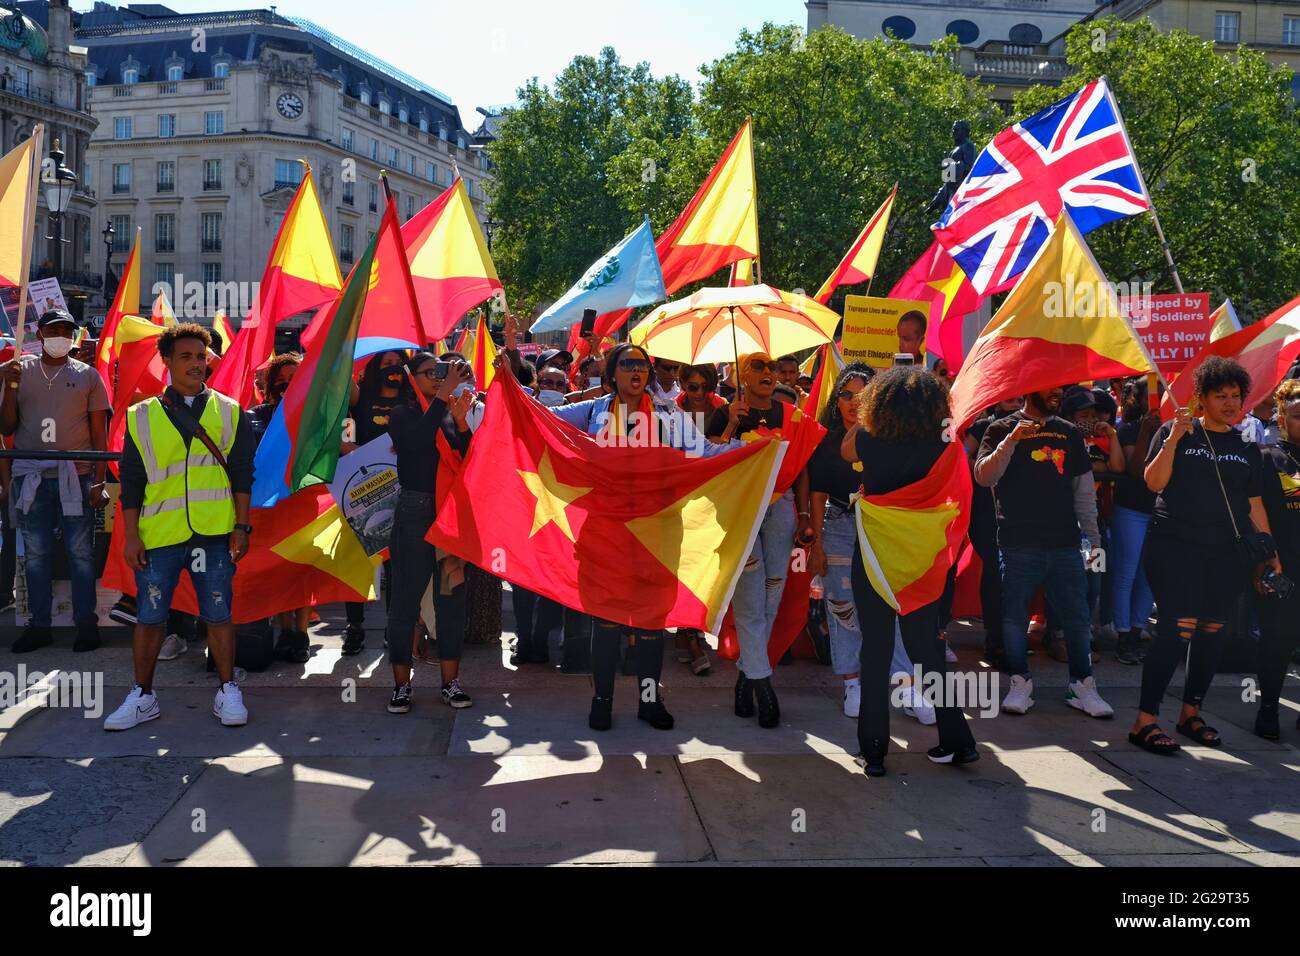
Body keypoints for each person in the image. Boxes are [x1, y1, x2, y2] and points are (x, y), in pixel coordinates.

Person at [551, 343, 740, 730]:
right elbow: (540, 419)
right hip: (605, 535)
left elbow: (704, 453)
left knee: (652, 625)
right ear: (613, 373)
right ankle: (601, 701)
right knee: (605, 624)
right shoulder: (590, 411)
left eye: (642, 365)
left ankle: (649, 702)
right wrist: (497, 387)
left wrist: (754, 450)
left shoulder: (670, 416)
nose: (636, 371)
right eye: (627, 364)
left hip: (658, 534)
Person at [104, 324, 254, 730]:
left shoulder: (229, 410)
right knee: (151, 617)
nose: (195, 364)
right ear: (167, 362)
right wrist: (131, 535)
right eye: (185, 357)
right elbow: (132, 482)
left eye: (201, 357)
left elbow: (242, 473)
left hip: (214, 531)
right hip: (160, 533)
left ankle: (227, 690)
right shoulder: (141, 415)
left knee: (219, 613)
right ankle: (142, 695)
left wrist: (242, 526)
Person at [1129, 357, 1281, 754]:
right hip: (1173, 546)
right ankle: (1144, 720)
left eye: (1236, 396)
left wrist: (1270, 552)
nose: (1231, 403)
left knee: (1212, 629)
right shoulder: (1176, 431)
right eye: (1221, 396)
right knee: (1179, 626)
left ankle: (1190, 713)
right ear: (1201, 399)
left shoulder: (1247, 448)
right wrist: (1175, 438)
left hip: (1225, 553)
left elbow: (1253, 505)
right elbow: (1153, 482)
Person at [838, 367, 978, 775]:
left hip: (876, 558)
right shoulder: (943, 442)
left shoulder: (868, 437)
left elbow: (846, 451)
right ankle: (958, 740)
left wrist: (865, 417)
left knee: (876, 651)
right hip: (922, 560)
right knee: (926, 652)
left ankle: (875, 752)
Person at [975, 387, 1114, 718]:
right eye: (1051, 386)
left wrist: (1094, 542)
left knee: (1078, 618)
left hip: (1067, 544)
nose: (1058, 392)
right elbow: (983, 477)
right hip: (1016, 543)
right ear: (1030, 387)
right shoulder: (998, 428)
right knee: (1014, 618)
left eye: (1060, 387)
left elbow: (1083, 493)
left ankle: (1082, 685)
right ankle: (1020, 682)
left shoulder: (1068, 432)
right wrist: (1012, 440)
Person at [705, 352, 815, 729]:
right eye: (758, 366)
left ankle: (745, 676)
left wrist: (802, 515)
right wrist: (731, 426)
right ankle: (764, 687)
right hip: (741, 513)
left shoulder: (792, 416)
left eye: (771, 368)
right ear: (741, 377)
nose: (768, 373)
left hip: (782, 513)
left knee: (772, 596)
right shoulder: (725, 413)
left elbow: (801, 469)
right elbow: (708, 462)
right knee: (751, 601)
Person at [0, 309, 111, 653]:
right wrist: (7, 383)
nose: (60, 335)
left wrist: (99, 480)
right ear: (40, 333)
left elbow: (99, 433)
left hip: (76, 475)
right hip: (31, 474)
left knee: (80, 553)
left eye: (66, 329)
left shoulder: (89, 376)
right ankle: (39, 625)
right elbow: (5, 428)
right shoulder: (19, 370)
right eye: (54, 330)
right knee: (35, 555)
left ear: (73, 335)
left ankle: (86, 624)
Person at [383, 352, 476, 714]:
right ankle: (401, 686)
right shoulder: (402, 413)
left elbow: (467, 457)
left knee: (450, 599)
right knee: (405, 600)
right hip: (415, 513)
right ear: (412, 377)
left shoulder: (448, 410)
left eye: (442, 372)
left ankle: (450, 683)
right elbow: (418, 443)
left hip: (449, 514)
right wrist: (442, 401)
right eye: (430, 373)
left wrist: (462, 423)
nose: (438, 378)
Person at [340, 350, 416, 655]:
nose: (393, 368)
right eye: (387, 364)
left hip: (404, 490)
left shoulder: (412, 402)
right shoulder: (359, 401)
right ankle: (354, 627)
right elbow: (343, 439)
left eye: (398, 363)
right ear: (374, 369)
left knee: (396, 563)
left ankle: (393, 629)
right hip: (361, 489)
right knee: (358, 562)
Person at [247, 352, 314, 663]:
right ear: (270, 385)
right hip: (270, 507)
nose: (287, 385)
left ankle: (300, 634)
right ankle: (283, 630)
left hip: (304, 504)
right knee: (276, 570)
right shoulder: (255, 416)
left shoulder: (317, 418)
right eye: (281, 381)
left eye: (294, 380)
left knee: (300, 570)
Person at [1254, 378, 1300, 739]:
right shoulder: (1268, 459)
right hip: (1281, 567)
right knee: (1277, 640)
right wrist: (1266, 558)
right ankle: (1268, 707)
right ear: (1282, 418)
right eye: (1298, 415)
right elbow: (1254, 512)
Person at [964, 397, 1023, 667]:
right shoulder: (984, 427)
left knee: (1015, 578)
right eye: (1009, 398)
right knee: (994, 574)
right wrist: (983, 463)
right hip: (985, 512)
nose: (1014, 403)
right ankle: (995, 641)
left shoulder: (1032, 429)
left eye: (1020, 398)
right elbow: (962, 459)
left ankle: (1013, 639)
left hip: (1018, 513)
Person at [1111, 379, 1161, 664]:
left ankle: (1138, 628)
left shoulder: (1172, 430)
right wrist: (1145, 434)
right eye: (1155, 394)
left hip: (1158, 511)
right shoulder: (1129, 430)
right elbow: (1133, 470)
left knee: (1148, 574)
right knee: (1126, 573)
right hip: (1131, 509)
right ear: (1139, 400)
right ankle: (1123, 633)